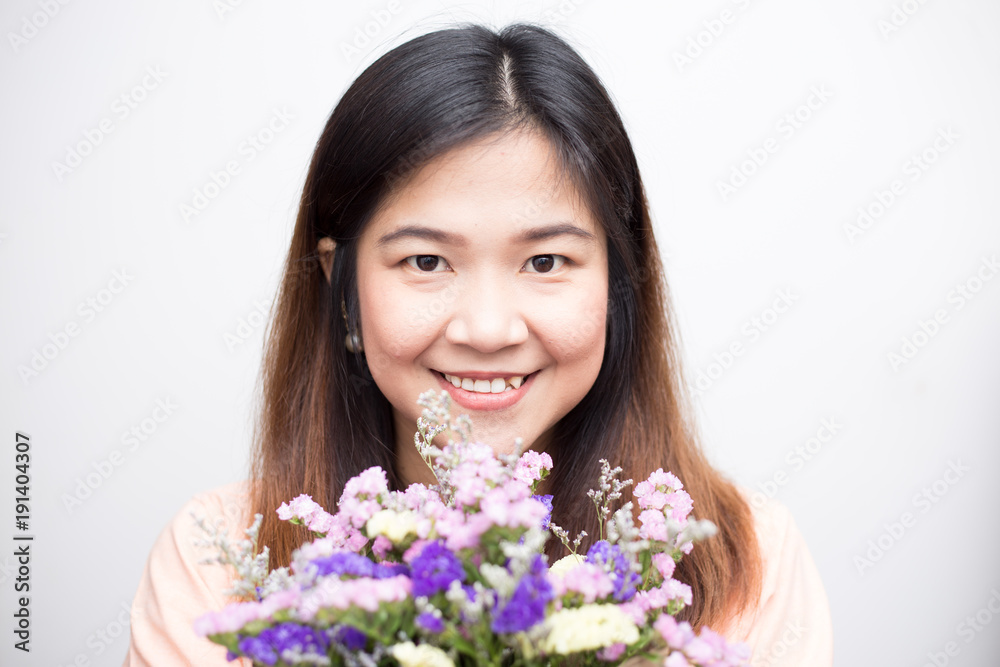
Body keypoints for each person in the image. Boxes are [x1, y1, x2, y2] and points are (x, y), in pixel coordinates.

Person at [123, 22, 833, 666]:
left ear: (620, 281)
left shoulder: (745, 561)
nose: (489, 329)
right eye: (426, 262)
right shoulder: (220, 561)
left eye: (546, 261)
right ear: (342, 282)